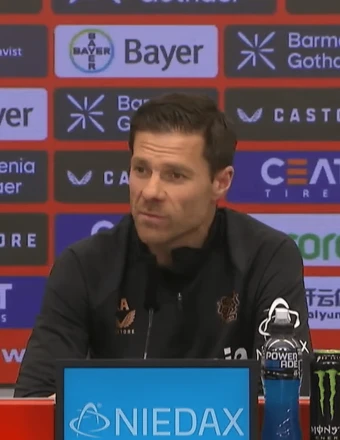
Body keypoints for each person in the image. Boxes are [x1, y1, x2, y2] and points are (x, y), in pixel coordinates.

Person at [14, 92, 312, 398]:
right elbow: (34, 402)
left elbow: (289, 397)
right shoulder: (85, 265)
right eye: (141, 170)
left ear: (220, 182)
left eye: (175, 175)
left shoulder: (266, 257)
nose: (150, 191)